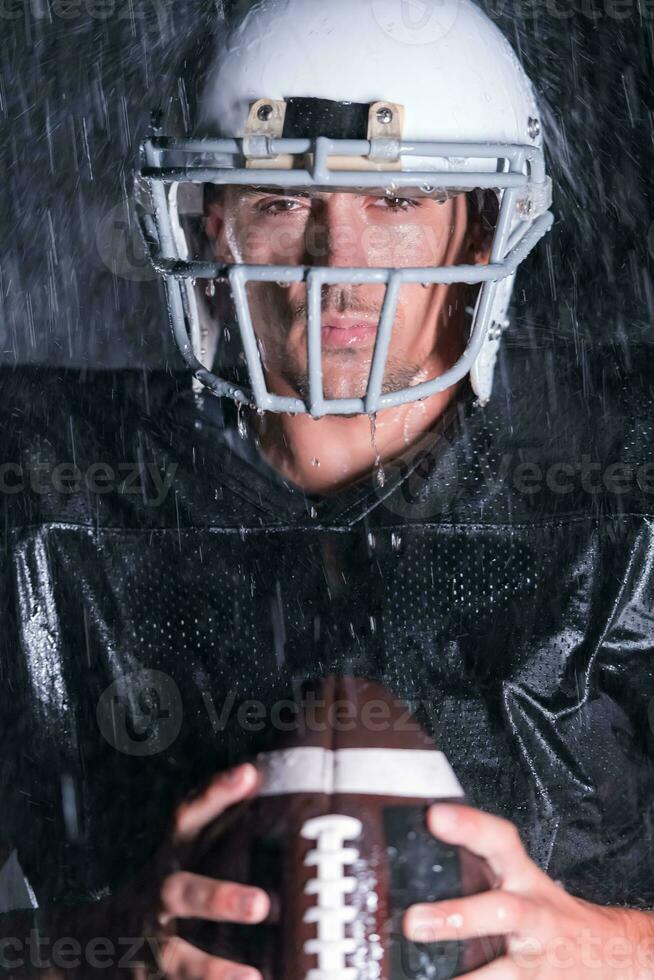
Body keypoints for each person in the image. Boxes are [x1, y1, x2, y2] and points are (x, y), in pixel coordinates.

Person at [2, 0, 654, 977]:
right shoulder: (47, 495)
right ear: (210, 227)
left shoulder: (620, 487)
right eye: (282, 201)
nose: (336, 265)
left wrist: (605, 948)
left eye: (395, 202)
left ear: (482, 226)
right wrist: (92, 946)